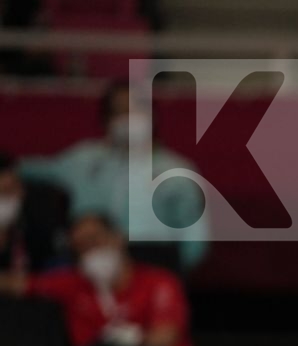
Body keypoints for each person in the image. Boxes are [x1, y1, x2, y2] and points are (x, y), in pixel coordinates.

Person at [19, 80, 209, 272]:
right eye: (120, 112)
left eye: (136, 110)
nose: (129, 118)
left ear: (153, 117)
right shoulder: (82, 159)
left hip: (150, 262)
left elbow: (194, 239)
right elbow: (27, 170)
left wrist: (170, 276)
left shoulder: (177, 171)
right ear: (106, 120)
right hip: (86, 257)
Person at [17, 213, 192, 346]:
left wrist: (134, 342)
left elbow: (166, 340)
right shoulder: (73, 284)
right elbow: (17, 283)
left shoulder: (159, 282)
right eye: (81, 247)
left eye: (94, 240)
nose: (90, 251)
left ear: (117, 237)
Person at [0, 153, 66, 291]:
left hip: (30, 297)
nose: (5, 199)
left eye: (9, 191)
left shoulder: (38, 220)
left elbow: (55, 268)